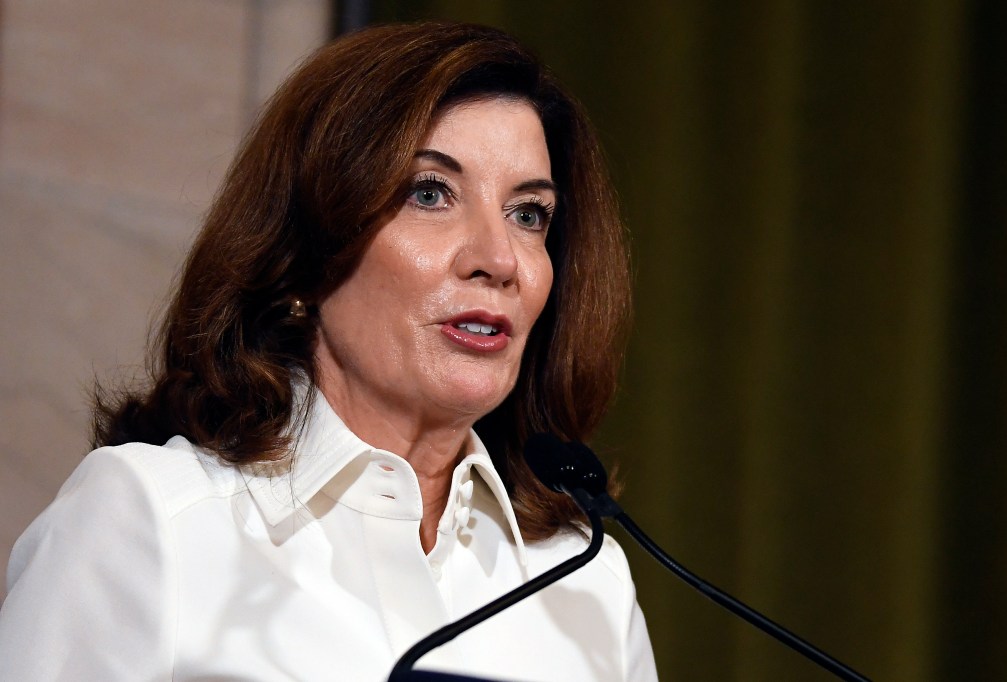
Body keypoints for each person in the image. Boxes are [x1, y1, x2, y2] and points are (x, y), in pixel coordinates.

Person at [0, 21, 656, 681]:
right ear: (309, 250)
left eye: (528, 214)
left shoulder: (584, 583)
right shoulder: (151, 520)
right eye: (429, 194)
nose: (498, 259)